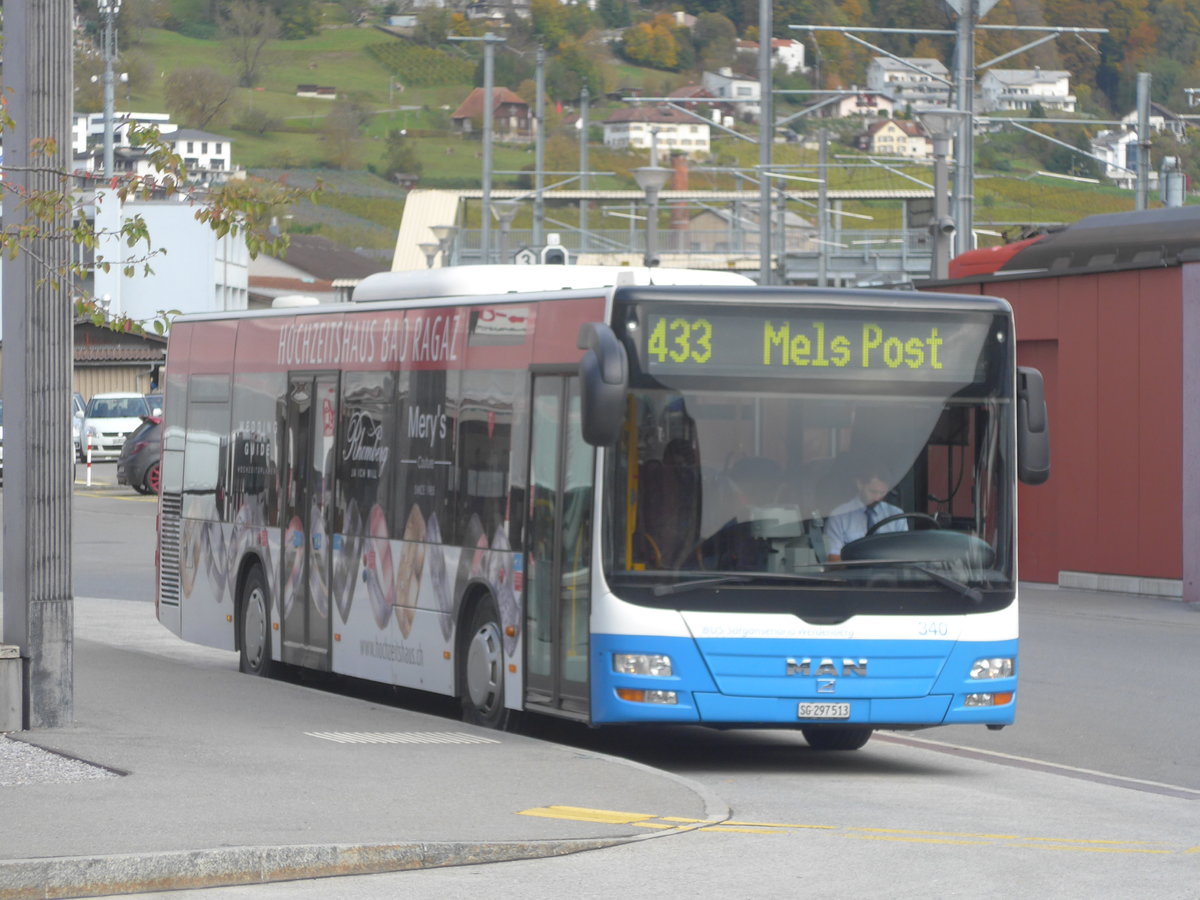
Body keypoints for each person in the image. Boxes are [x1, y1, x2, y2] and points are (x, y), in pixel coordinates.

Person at [823, 463, 908, 561]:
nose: (877, 498)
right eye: (873, 492)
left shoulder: (896, 514)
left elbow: (904, 553)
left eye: (882, 493)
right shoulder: (839, 516)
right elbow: (833, 558)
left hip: (889, 570)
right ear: (859, 484)